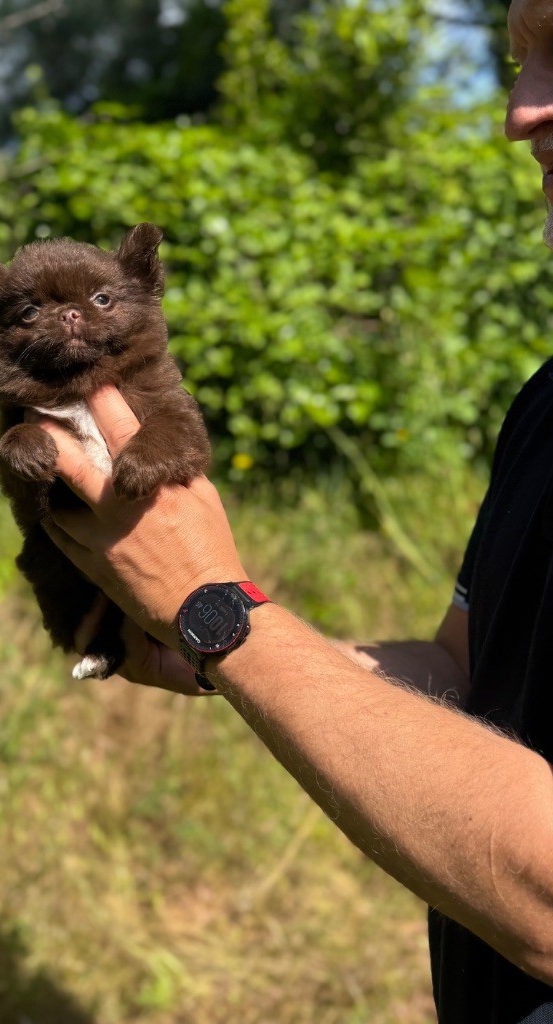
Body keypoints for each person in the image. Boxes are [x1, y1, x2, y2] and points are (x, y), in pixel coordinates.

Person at [35, 1, 553, 1019]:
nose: (519, 113)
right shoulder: (543, 405)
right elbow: (468, 670)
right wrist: (223, 645)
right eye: (519, 60)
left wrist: (218, 609)